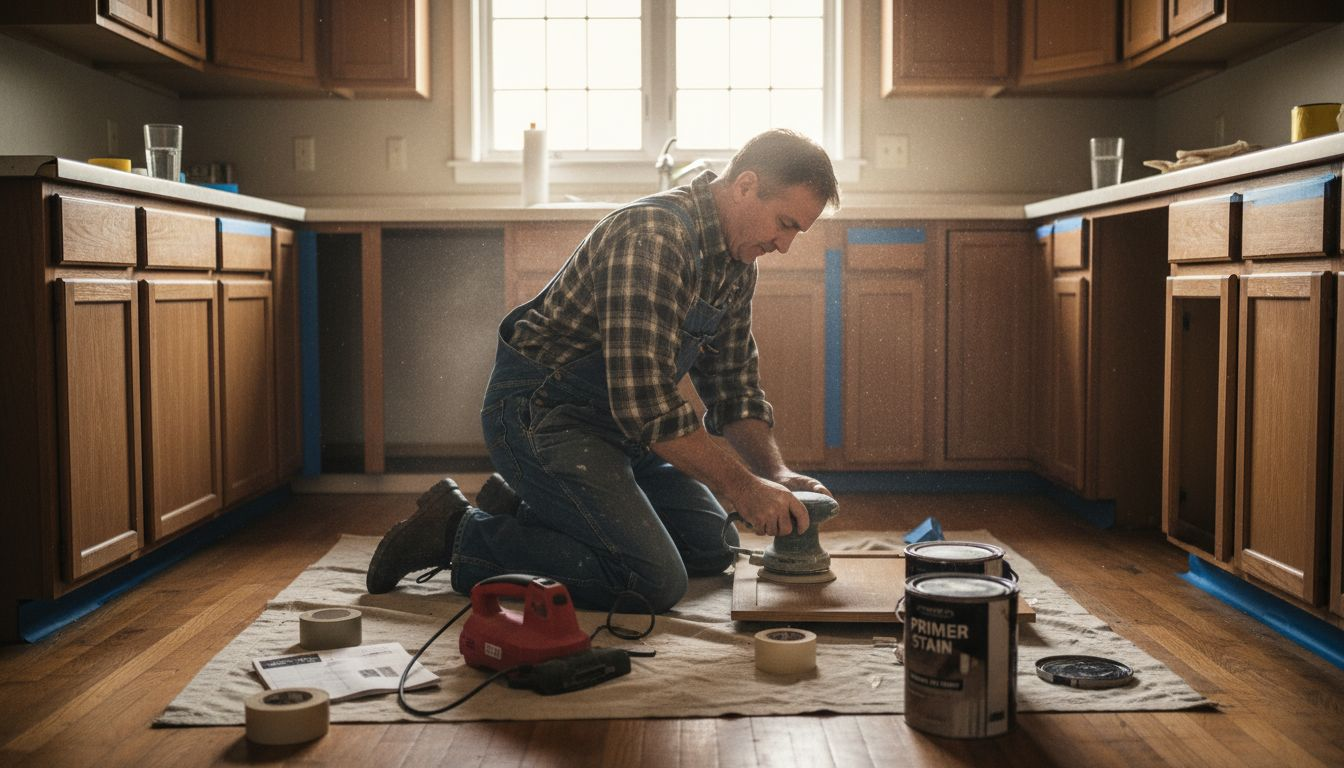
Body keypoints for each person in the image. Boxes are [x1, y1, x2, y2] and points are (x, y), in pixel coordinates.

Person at [367, 128, 841, 612]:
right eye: (784, 223)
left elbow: (734, 385)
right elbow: (648, 405)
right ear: (744, 185)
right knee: (652, 580)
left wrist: (774, 472)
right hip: (544, 418)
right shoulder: (654, 238)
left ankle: (523, 508)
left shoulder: (738, 261)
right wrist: (742, 487)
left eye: (795, 232)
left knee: (712, 546)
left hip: (620, 433)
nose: (783, 245)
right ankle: (454, 531)